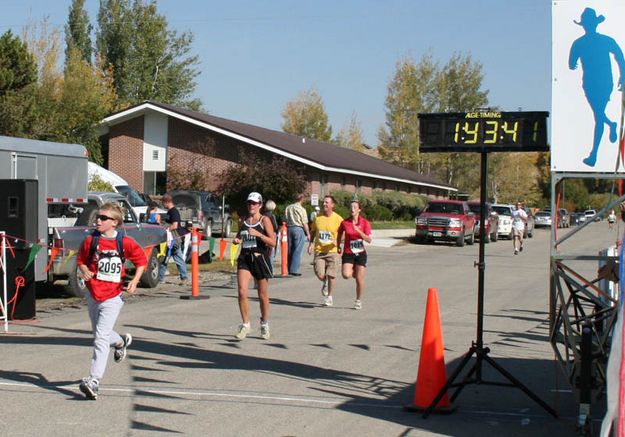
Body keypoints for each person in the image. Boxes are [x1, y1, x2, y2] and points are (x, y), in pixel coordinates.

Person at [76, 202, 147, 400]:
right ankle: (121, 341)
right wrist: (84, 271)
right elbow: (80, 260)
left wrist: (134, 280)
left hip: (113, 296)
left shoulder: (125, 242)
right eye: (98, 217)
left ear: (114, 222)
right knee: (101, 334)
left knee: (100, 337)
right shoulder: (91, 241)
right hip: (93, 293)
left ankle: (94, 380)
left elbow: (142, 261)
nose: (98, 220)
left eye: (103, 218)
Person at [568, 7, 625, 167]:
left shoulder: (588, 42)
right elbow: (571, 63)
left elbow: (620, 57)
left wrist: (623, 75)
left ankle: (593, 155)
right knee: (598, 115)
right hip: (591, 84)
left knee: (598, 117)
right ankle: (611, 124)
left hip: (603, 82)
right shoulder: (581, 43)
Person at [232, 192, 276, 340]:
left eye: (254, 203)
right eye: (249, 203)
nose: (251, 206)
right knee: (242, 291)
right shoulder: (243, 220)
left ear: (260, 205)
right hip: (245, 258)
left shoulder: (265, 220)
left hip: (260, 258)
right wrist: (237, 240)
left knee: (262, 295)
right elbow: (239, 235)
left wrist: (259, 235)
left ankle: (264, 323)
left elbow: (273, 242)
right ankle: (245, 325)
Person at [308, 195, 344, 306]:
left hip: (333, 251)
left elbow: (345, 235)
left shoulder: (338, 219)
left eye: (327, 202)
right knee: (320, 274)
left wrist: (337, 241)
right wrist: (311, 243)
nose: (324, 204)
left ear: (332, 205)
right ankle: (325, 281)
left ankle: (329, 296)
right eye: (324, 202)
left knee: (331, 274)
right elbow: (313, 231)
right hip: (320, 250)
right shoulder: (318, 218)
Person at [337, 200, 372, 310]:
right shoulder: (345, 222)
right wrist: (338, 245)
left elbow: (369, 240)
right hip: (348, 252)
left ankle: (358, 300)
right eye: (351, 207)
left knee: (359, 279)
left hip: (360, 253)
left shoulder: (365, 222)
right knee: (346, 275)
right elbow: (339, 233)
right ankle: (355, 273)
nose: (352, 209)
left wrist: (359, 231)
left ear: (359, 210)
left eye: (355, 207)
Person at [158, 194, 189, 286]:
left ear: (167, 202)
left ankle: (184, 278)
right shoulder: (169, 212)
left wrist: (166, 229)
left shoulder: (174, 212)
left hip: (174, 239)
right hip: (169, 239)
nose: (163, 205)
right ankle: (160, 278)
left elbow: (175, 226)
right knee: (165, 258)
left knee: (177, 259)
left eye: (163, 203)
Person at [284, 193, 311, 276]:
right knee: (297, 249)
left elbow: (285, 218)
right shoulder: (301, 209)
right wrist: (308, 233)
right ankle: (294, 269)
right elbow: (304, 222)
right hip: (298, 228)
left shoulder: (288, 207)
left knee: (289, 249)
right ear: (302, 199)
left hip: (289, 228)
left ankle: (289, 268)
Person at [264, 199, 279, 273]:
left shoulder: (263, 215)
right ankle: (270, 270)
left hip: (264, 235)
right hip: (271, 235)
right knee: (271, 254)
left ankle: (265, 269)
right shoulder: (272, 216)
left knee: (265, 253)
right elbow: (275, 227)